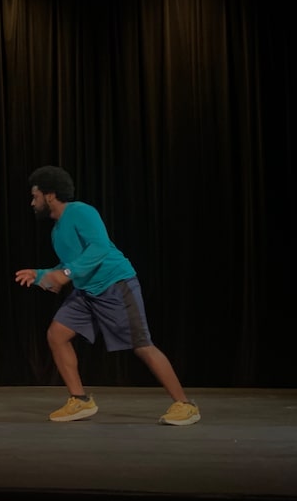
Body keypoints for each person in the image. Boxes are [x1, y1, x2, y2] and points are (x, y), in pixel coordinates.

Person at [14, 165, 200, 426]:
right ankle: (80, 400)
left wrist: (65, 273)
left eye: (34, 196)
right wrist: (41, 274)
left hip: (115, 284)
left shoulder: (81, 211)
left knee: (142, 345)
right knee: (57, 335)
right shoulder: (56, 231)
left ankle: (185, 404)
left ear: (50, 195)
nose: (32, 202)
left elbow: (99, 247)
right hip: (87, 291)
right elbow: (68, 264)